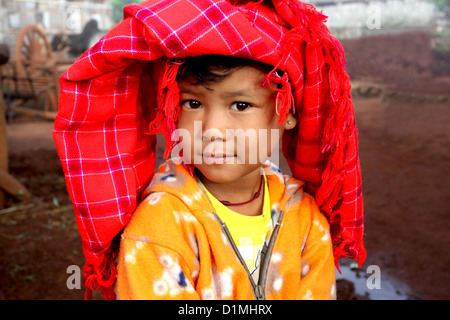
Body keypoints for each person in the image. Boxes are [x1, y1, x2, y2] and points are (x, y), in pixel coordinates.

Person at [53, 0, 366, 300]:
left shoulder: (306, 220)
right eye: (193, 103)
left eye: (241, 105)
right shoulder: (160, 227)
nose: (212, 129)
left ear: (287, 112)